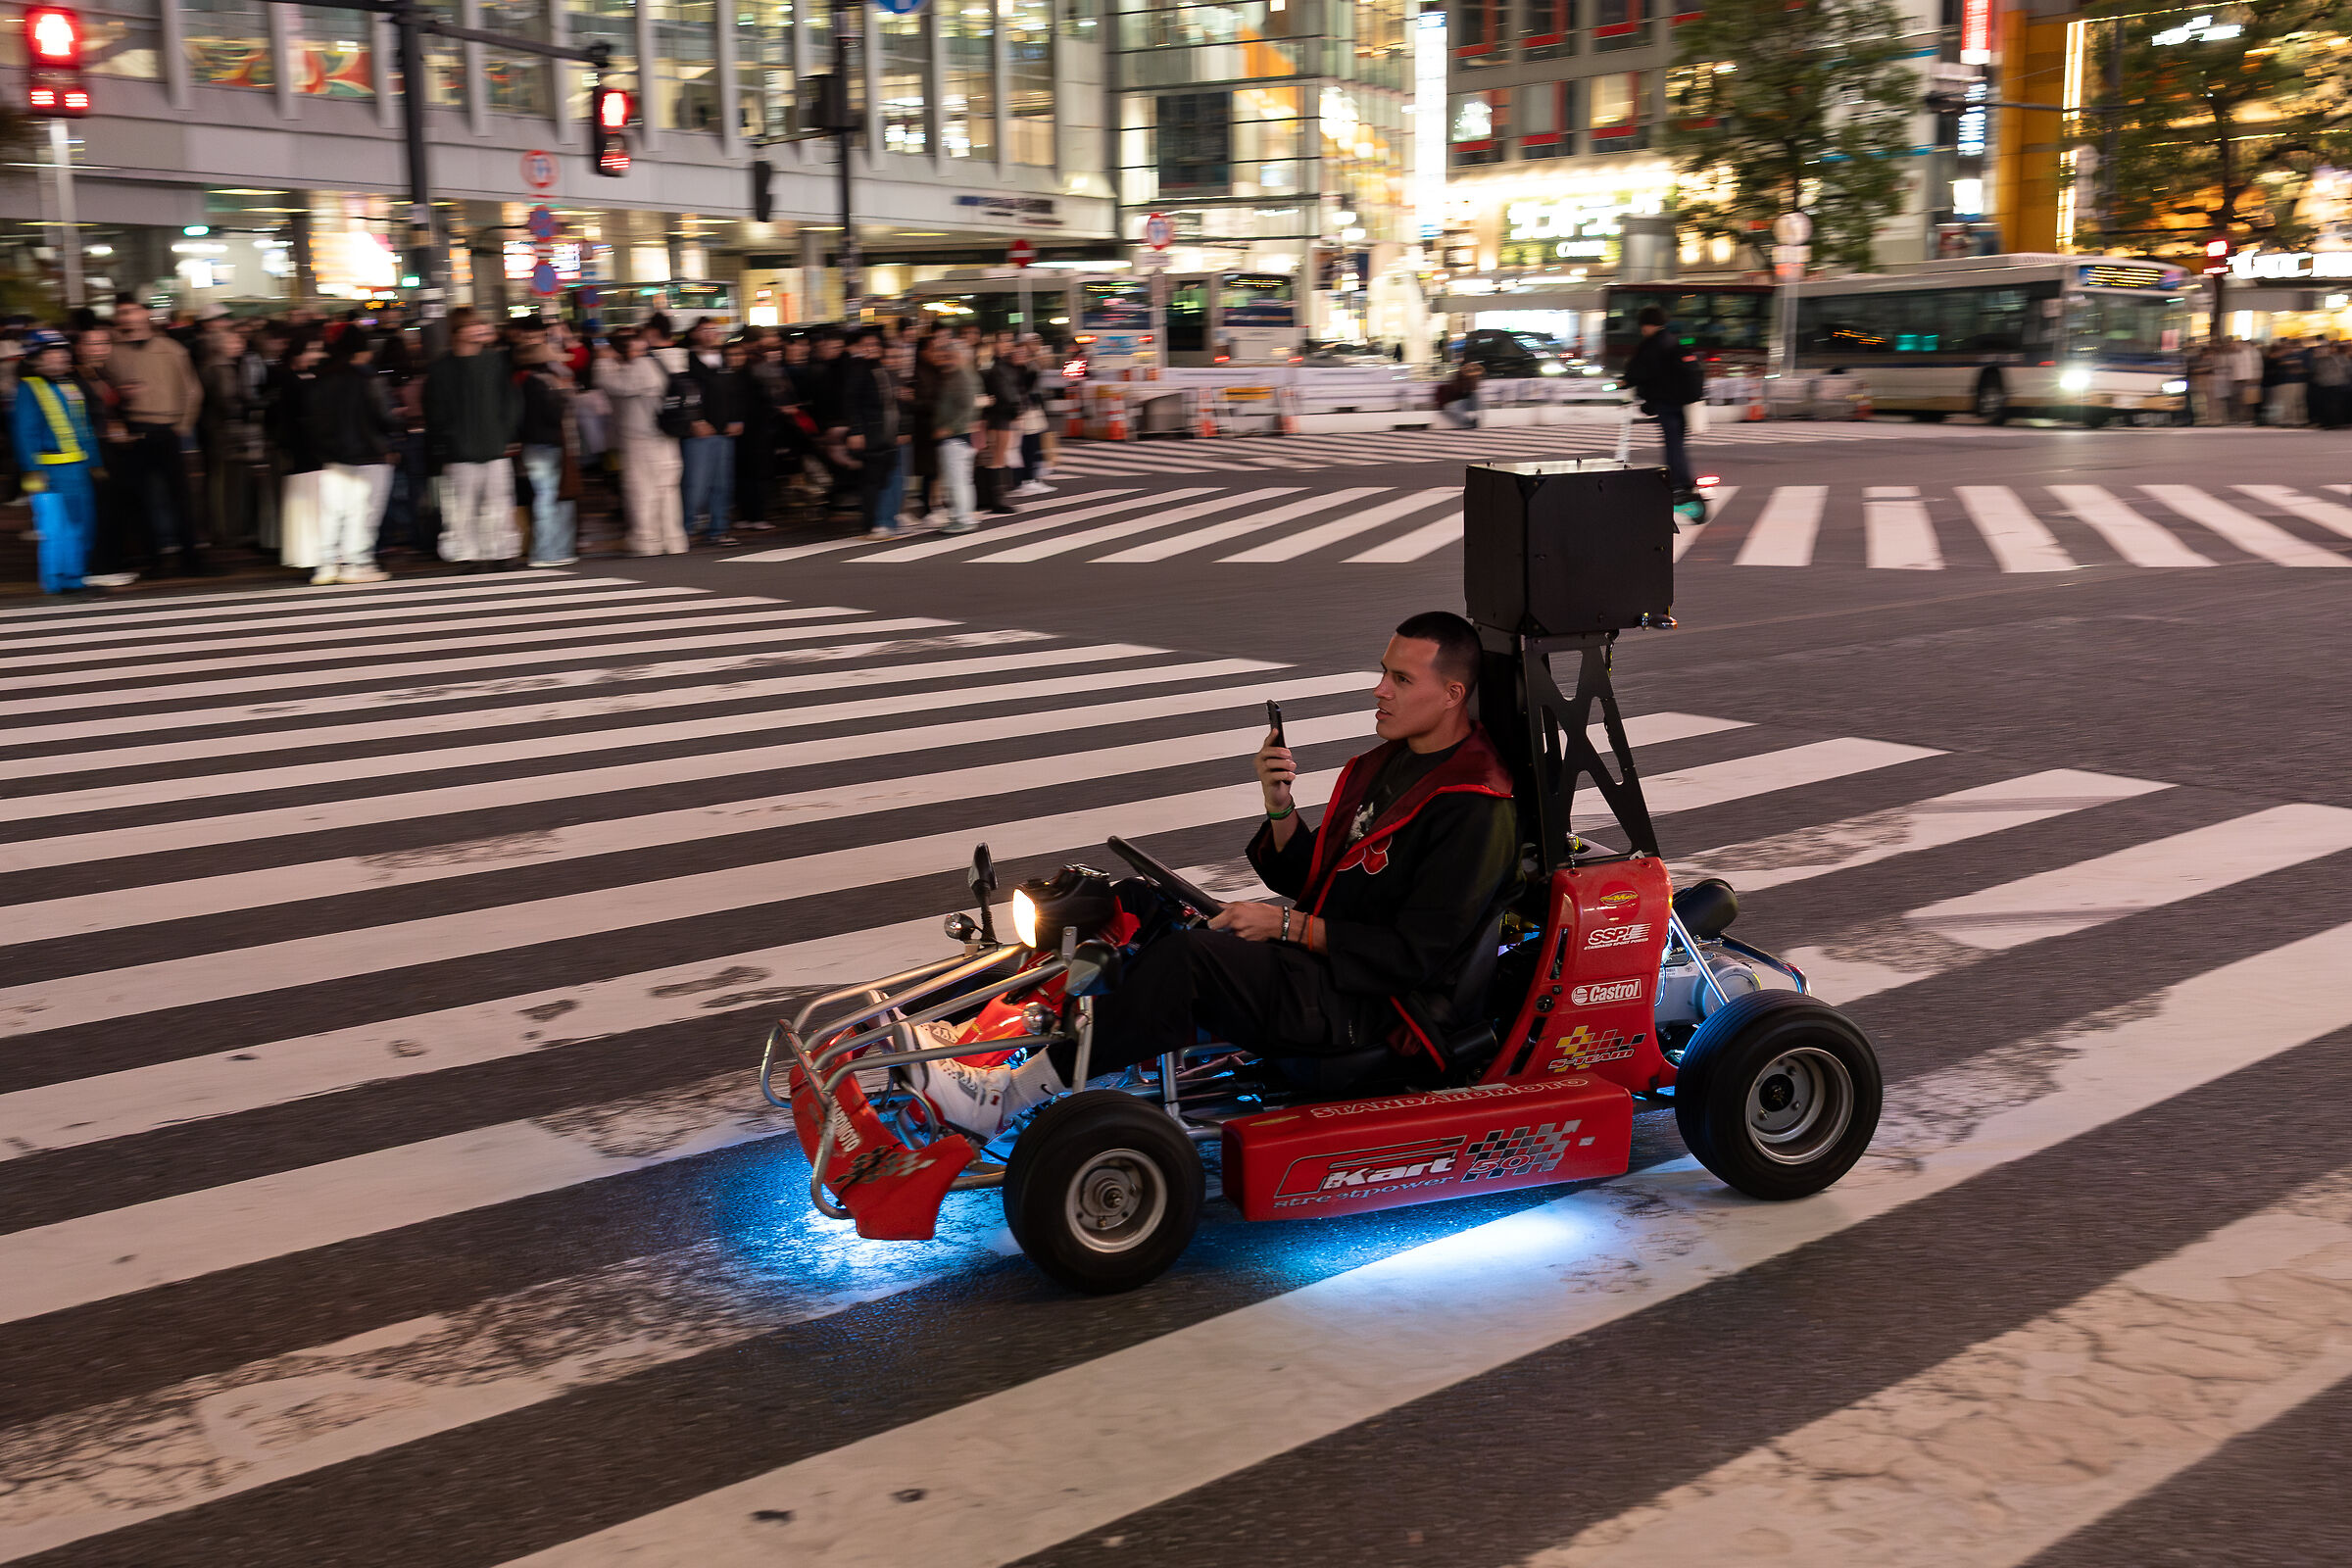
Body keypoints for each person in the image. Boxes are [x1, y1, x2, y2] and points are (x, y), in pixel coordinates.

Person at [900, 612, 1521, 1139]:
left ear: (1452, 695)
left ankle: (1001, 1097)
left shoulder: (1474, 804)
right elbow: (1316, 882)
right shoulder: (1387, 764)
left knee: (1192, 959)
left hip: (1376, 1006)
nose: (1379, 689)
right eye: (1384, 671)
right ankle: (974, 1036)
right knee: (1137, 903)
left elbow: (1416, 955)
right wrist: (1280, 806)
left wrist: (1285, 925)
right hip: (1324, 964)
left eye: (1401, 678)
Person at [105, 293, 208, 575]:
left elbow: (193, 391)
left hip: (167, 429)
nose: (127, 317)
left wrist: (182, 427)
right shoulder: (110, 353)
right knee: (141, 498)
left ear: (145, 314)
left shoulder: (171, 349)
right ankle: (153, 559)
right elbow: (103, 394)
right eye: (122, 312)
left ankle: (191, 558)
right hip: (132, 431)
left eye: (132, 311)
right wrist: (119, 398)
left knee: (180, 497)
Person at [422, 307, 523, 566]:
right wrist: (447, 440)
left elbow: (511, 401)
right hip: (460, 451)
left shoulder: (496, 361)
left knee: (499, 501)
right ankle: (467, 554)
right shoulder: (441, 369)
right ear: (458, 332)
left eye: (480, 323)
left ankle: (501, 551)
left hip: (493, 446)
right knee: (460, 507)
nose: (479, 328)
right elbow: (434, 411)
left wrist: (504, 434)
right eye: (473, 324)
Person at [10, 328, 101, 596]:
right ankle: (56, 581)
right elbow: (24, 433)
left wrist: (94, 461)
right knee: (56, 528)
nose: (61, 356)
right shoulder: (29, 388)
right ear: (36, 358)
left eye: (63, 351)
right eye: (53, 352)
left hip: (78, 470)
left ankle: (75, 577)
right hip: (49, 474)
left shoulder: (69, 385)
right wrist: (33, 471)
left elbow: (84, 428)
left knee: (81, 524)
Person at [305, 330, 397, 584]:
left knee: (333, 512)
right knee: (364, 512)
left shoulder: (322, 379)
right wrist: (395, 434)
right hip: (370, 454)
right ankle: (357, 563)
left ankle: (326, 564)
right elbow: (384, 416)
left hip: (333, 456)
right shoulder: (368, 378)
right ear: (363, 352)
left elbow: (313, 421)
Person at [601, 328, 689, 556]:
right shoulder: (669, 361)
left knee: (643, 491)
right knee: (668, 490)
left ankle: (647, 540)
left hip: (642, 438)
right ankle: (674, 539)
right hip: (667, 437)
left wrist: (603, 362)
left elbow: (611, 384)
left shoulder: (641, 367)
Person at [1621, 304, 1700, 497]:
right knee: (1678, 443)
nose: (1642, 330)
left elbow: (1640, 370)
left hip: (1666, 401)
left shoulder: (1653, 344)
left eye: (1643, 325)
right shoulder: (1672, 341)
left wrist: (1625, 382)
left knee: (1672, 444)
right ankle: (1684, 481)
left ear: (1648, 325)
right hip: (1682, 402)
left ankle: (1678, 483)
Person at [516, 329, 579, 565]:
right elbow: (553, 415)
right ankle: (545, 552)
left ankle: (556, 550)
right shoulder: (541, 383)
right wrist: (563, 395)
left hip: (536, 444)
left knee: (550, 497)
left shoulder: (524, 381)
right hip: (547, 444)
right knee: (549, 498)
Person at [680, 317, 741, 546]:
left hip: (723, 431)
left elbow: (734, 392)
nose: (711, 334)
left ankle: (718, 529)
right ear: (695, 333)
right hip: (699, 432)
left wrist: (736, 418)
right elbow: (684, 393)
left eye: (714, 329)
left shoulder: (724, 360)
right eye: (705, 330)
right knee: (696, 484)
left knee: (722, 483)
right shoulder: (687, 359)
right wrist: (696, 420)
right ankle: (686, 528)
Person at [841, 327, 905, 538]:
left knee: (882, 477)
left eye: (876, 345)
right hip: (871, 431)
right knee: (873, 479)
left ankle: (881, 520)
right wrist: (856, 430)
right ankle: (873, 522)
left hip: (884, 432)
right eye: (867, 345)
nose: (872, 349)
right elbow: (851, 401)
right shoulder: (859, 368)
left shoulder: (880, 368)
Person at [928, 334, 982, 534]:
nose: (945, 359)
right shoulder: (957, 375)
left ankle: (962, 518)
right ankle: (963, 515)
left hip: (956, 436)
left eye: (949, 355)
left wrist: (950, 427)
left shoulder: (961, 376)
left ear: (960, 356)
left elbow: (968, 407)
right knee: (961, 479)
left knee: (956, 480)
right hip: (959, 435)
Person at [1435, 359, 1484, 429]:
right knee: (1457, 404)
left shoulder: (1469, 379)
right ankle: (1468, 422)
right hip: (1452, 402)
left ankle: (1473, 420)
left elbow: (1470, 392)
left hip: (1461, 401)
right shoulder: (1459, 377)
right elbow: (1456, 392)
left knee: (1475, 396)